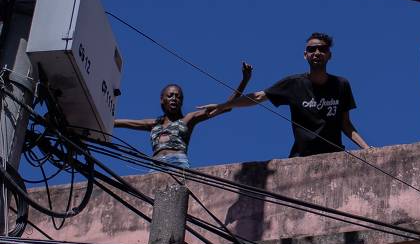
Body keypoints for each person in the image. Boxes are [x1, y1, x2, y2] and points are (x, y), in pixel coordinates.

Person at [203, 33, 370, 158]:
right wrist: (223, 105)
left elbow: (346, 124)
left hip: (334, 155)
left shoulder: (341, 85)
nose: (317, 52)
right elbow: (259, 97)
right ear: (306, 55)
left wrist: (368, 150)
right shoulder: (294, 84)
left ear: (329, 55)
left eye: (322, 49)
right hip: (302, 157)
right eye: (312, 49)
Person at [113, 62, 253, 168]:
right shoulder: (154, 123)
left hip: (177, 162)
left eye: (178, 96)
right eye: (170, 96)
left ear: (182, 101)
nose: (174, 98)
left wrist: (244, 80)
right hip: (155, 164)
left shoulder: (188, 119)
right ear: (162, 99)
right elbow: (122, 122)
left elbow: (225, 107)